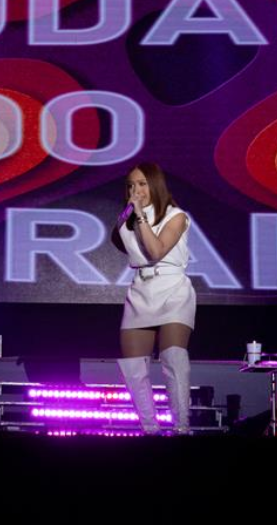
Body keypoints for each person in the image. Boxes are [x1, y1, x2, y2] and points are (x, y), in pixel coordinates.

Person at [111, 162, 194, 434]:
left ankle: (181, 429)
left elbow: (157, 251)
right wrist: (131, 217)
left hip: (172, 287)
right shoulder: (127, 219)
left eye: (143, 184)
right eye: (131, 185)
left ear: (155, 185)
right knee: (133, 367)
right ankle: (150, 431)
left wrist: (141, 217)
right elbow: (128, 247)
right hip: (140, 287)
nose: (136, 190)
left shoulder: (176, 216)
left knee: (173, 358)